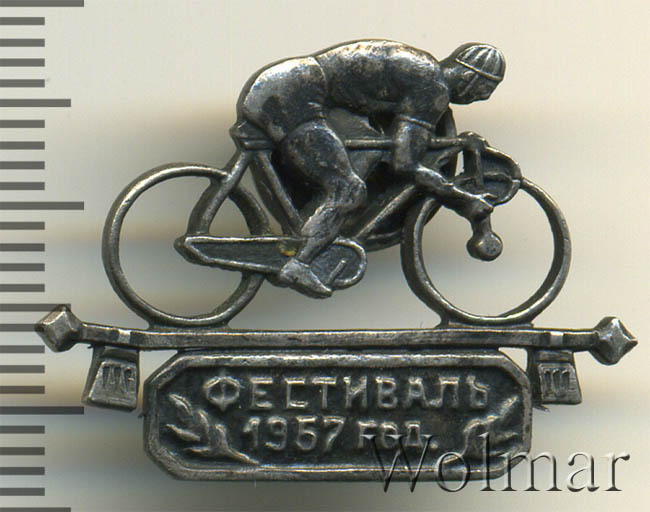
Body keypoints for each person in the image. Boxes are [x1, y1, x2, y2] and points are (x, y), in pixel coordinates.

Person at [235, 40, 505, 297]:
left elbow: (400, 143)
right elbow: (405, 163)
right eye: (483, 91)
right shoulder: (433, 88)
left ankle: (323, 229)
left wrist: (454, 143)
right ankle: (298, 264)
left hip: (289, 85)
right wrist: (460, 197)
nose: (479, 98)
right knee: (348, 191)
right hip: (292, 94)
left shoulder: (423, 70)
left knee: (371, 149)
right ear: (469, 77)